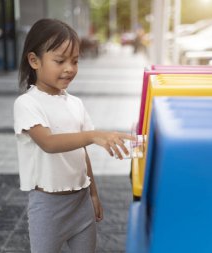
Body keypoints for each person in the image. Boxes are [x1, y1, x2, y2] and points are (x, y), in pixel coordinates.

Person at [13, 19, 134, 253]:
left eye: (75, 61)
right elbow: (48, 143)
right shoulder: (27, 104)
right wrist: (93, 135)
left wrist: (94, 194)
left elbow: (81, 152)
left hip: (81, 203)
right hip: (48, 207)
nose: (69, 68)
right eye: (60, 61)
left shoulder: (75, 103)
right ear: (34, 60)